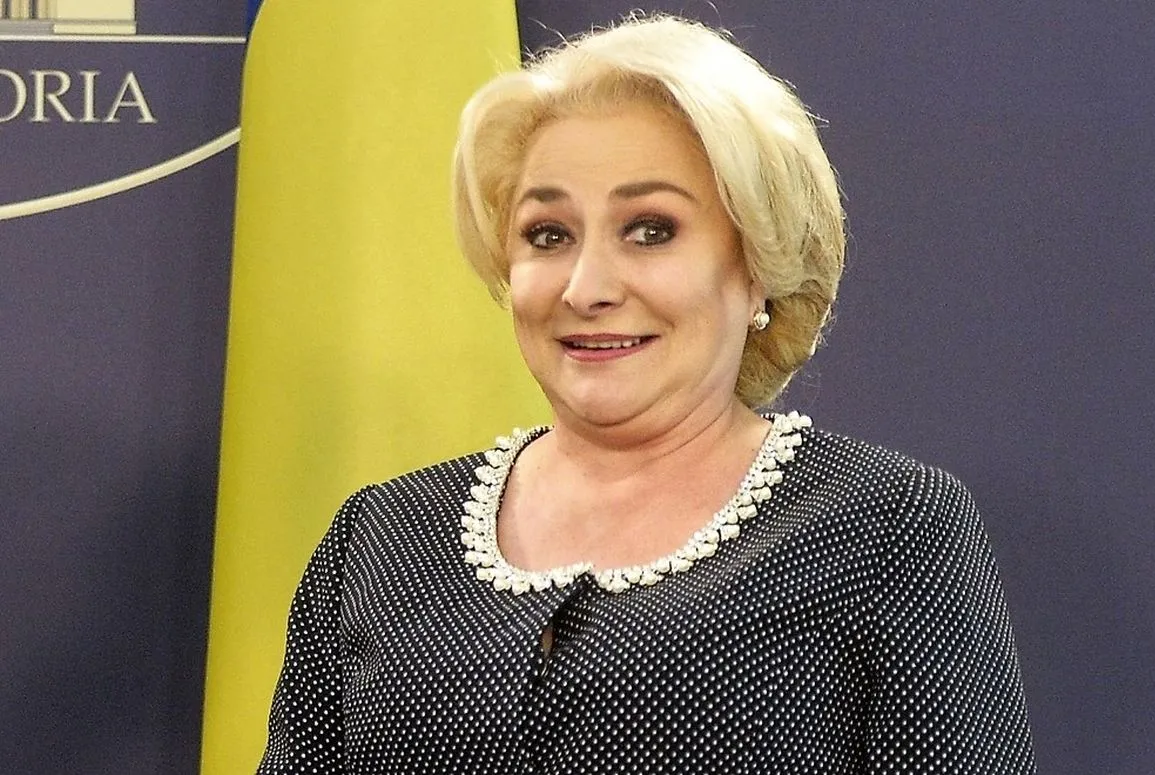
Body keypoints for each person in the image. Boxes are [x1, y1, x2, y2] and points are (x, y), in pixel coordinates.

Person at [258, 14, 1037, 775]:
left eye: (651, 230)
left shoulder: (884, 525)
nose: (586, 287)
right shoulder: (380, 539)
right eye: (548, 234)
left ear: (757, 264)